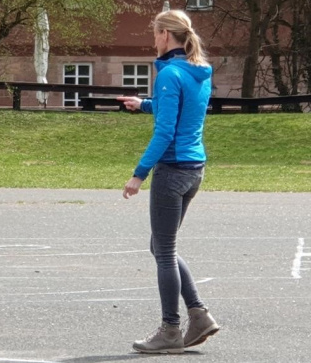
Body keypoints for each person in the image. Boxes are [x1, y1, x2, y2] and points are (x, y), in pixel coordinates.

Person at [117, 10, 219, 354]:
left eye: (154, 34)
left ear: (164, 35)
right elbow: (176, 111)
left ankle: (171, 330)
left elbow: (165, 132)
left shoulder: (169, 73)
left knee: (163, 252)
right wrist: (144, 104)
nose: (153, 40)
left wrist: (138, 174)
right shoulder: (197, 70)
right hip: (194, 169)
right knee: (162, 247)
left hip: (172, 171)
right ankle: (199, 315)